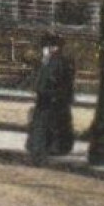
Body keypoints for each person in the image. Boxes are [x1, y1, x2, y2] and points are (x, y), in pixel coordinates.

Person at [27, 35, 75, 163]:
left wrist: (59, 95)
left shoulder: (61, 61)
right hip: (45, 96)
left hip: (55, 97)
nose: (46, 49)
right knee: (42, 123)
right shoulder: (45, 60)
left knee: (55, 124)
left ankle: (55, 147)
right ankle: (39, 147)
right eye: (46, 47)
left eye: (49, 46)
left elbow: (65, 81)